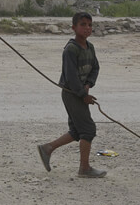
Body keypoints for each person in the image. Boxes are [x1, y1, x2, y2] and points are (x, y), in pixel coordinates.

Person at [36, 11, 105, 179]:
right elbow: (71, 77)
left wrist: (88, 84)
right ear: (74, 28)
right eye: (83, 25)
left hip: (81, 92)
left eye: (89, 25)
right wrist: (83, 95)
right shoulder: (70, 50)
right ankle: (84, 168)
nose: (87, 28)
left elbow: (95, 68)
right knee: (88, 130)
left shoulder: (90, 47)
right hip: (71, 94)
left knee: (76, 130)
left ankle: (47, 149)